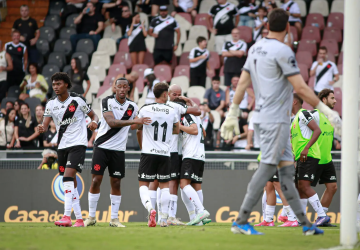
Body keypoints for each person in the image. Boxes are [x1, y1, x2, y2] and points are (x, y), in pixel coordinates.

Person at [221, 8, 341, 235]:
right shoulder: (284, 50)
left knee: (286, 174)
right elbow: (301, 88)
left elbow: (242, 83)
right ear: (288, 28)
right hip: (276, 120)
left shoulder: (255, 48)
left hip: (267, 118)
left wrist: (233, 112)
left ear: (266, 25)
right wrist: (327, 111)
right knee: (267, 169)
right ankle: (241, 219)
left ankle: (305, 224)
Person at [84, 78, 150, 228]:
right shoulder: (107, 101)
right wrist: (134, 121)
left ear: (128, 89)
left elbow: (133, 127)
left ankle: (114, 219)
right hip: (102, 146)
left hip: (118, 150)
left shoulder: (133, 106)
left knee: (116, 182)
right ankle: (91, 217)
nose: (121, 89)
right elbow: (112, 122)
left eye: (124, 87)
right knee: (96, 181)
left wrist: (142, 122)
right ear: (114, 88)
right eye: (118, 86)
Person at [38, 72, 99, 227]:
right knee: (70, 182)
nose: (56, 87)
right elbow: (45, 125)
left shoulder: (77, 100)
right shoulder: (51, 103)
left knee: (67, 177)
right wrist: (41, 127)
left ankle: (66, 216)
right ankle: (79, 219)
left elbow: (94, 116)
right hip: (62, 145)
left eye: (58, 84)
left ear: (66, 84)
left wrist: (94, 123)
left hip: (78, 144)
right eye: (53, 85)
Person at [147, 85, 201, 226]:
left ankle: (157, 216)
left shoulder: (153, 107)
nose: (177, 96)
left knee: (158, 183)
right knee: (171, 183)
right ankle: (169, 216)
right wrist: (189, 101)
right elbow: (198, 111)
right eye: (175, 94)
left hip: (156, 149)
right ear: (167, 94)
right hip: (171, 151)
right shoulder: (176, 107)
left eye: (179, 94)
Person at [130, 82, 180, 227]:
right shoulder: (172, 111)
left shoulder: (146, 109)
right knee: (165, 186)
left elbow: (135, 126)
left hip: (148, 152)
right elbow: (176, 130)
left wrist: (140, 122)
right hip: (165, 153)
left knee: (143, 184)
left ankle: (150, 209)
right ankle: (163, 219)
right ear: (165, 94)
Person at [291, 93, 331, 227]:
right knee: (299, 188)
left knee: (304, 186)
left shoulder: (303, 114)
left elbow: (317, 130)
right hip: (301, 156)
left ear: (294, 102)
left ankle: (322, 215)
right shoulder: (294, 119)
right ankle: (302, 219)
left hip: (310, 154)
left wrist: (306, 148)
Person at [172, 97, 210, 226]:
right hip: (200, 155)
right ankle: (198, 219)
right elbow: (203, 133)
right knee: (196, 186)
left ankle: (201, 211)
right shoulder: (197, 117)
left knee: (183, 184)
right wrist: (189, 100)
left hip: (191, 155)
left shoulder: (187, 117)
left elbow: (194, 131)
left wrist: (180, 127)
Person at [311, 89, 338, 227]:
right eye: (332, 98)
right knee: (304, 189)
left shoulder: (332, 117)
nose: (335, 100)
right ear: (324, 100)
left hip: (327, 159)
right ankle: (291, 216)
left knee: (332, 187)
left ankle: (321, 219)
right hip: (314, 158)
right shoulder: (314, 115)